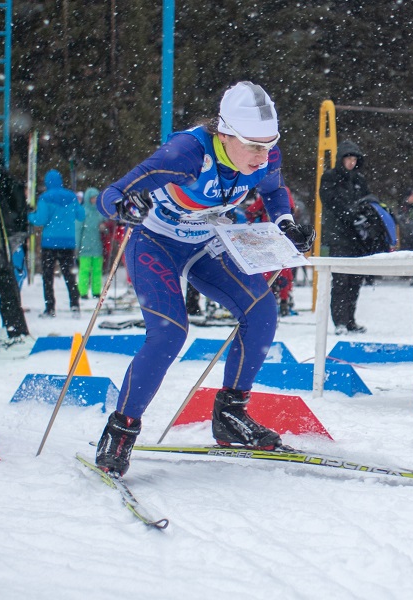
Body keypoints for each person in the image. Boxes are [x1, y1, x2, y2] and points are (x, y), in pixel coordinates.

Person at [92, 81, 315, 476]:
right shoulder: (186, 153)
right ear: (225, 134)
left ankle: (230, 415)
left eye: (269, 145)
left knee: (262, 310)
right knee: (169, 333)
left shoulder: (264, 156)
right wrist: (125, 205)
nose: (262, 156)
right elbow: (109, 196)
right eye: (253, 146)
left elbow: (273, 189)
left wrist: (285, 224)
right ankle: (121, 430)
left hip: (205, 242)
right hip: (155, 243)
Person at [319, 140, 371, 335]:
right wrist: (351, 215)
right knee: (341, 280)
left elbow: (367, 200)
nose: (351, 162)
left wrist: (364, 216)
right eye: (348, 158)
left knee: (355, 281)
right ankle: (340, 321)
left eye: (354, 159)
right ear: (341, 159)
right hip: (338, 237)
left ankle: (350, 320)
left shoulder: (359, 180)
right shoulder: (330, 177)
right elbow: (331, 202)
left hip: (357, 238)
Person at [0, 152, 31, 346]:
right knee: (8, 286)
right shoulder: (10, 180)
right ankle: (15, 328)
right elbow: (21, 210)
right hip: (4, 239)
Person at [28, 169, 85, 318]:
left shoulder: (45, 198)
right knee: (69, 275)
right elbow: (81, 215)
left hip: (50, 242)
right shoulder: (71, 196)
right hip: (68, 242)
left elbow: (40, 220)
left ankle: (50, 308)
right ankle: (75, 305)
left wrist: (30, 216)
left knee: (48, 277)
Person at [76, 187, 108, 299]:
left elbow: (107, 228)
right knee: (84, 271)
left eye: (96, 198)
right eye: (92, 198)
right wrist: (77, 246)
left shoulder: (100, 212)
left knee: (97, 271)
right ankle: (83, 292)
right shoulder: (83, 211)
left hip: (97, 246)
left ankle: (96, 291)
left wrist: (104, 228)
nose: (94, 200)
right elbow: (78, 230)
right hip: (85, 247)